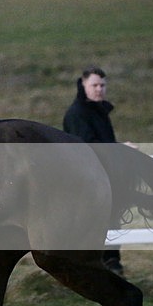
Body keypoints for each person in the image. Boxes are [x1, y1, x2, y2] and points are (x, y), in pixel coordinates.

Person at [62, 66, 127, 276]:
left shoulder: (99, 111)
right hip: (87, 182)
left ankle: (111, 263)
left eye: (102, 85)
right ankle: (98, 266)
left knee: (110, 219)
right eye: (94, 85)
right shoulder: (77, 114)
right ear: (83, 85)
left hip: (103, 178)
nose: (99, 89)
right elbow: (87, 146)